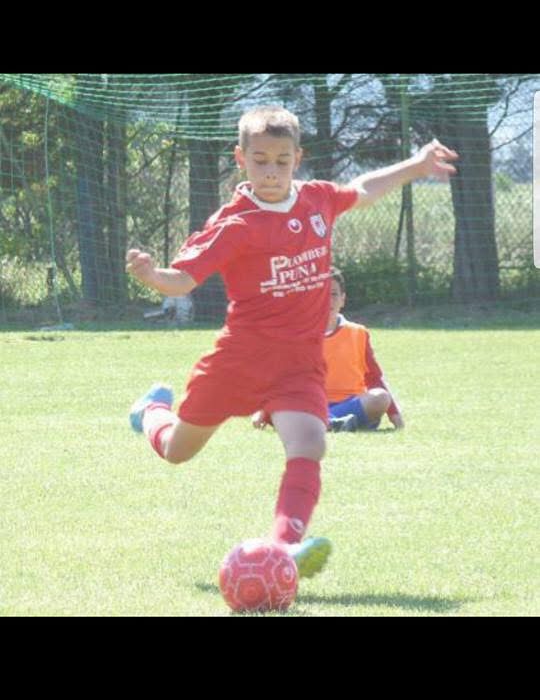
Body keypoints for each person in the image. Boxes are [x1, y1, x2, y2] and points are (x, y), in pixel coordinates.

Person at [126, 106, 458, 581]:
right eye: (260, 160)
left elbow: (363, 189)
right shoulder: (235, 223)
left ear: (297, 159)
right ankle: (151, 412)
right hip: (240, 361)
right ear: (240, 158)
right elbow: (183, 279)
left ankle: (284, 548)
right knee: (178, 450)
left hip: (299, 365)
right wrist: (152, 275)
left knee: (309, 443)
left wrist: (416, 165)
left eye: (282, 161)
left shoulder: (317, 199)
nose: (271, 171)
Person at [252, 267, 404, 434]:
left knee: (380, 397)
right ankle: (334, 424)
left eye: (333, 294)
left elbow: (375, 377)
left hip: (350, 405)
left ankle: (326, 422)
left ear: (343, 299)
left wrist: (395, 416)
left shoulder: (358, 333)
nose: (328, 300)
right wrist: (262, 411)